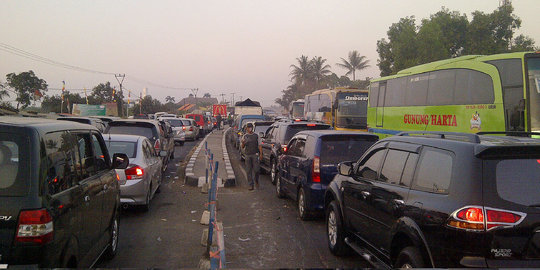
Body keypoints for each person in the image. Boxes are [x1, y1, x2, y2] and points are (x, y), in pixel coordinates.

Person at [241, 123, 262, 190]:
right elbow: (242, 146)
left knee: (256, 170)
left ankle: (256, 180)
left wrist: (261, 154)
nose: (249, 128)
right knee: (248, 170)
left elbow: (260, 145)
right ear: (246, 128)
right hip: (247, 155)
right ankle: (250, 184)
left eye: (250, 127)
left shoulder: (256, 136)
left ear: (252, 128)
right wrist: (243, 143)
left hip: (255, 154)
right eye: (248, 127)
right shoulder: (245, 136)